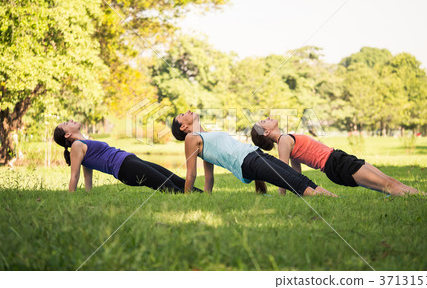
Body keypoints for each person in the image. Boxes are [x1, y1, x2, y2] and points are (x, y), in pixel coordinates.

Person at [171, 110, 338, 197]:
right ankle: (330, 200)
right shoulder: (191, 138)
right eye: (182, 115)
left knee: (297, 177)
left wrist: (207, 195)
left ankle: (333, 197)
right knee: (293, 181)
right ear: (183, 128)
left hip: (253, 153)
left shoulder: (204, 137)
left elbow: (209, 177)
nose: (187, 111)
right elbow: (191, 173)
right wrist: (189, 198)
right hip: (248, 161)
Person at [251, 117, 422, 196]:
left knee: (390, 182)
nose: (266, 118)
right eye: (263, 122)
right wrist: (283, 197)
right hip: (336, 165)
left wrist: (297, 189)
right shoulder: (284, 141)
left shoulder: (287, 139)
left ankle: (425, 197)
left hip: (339, 158)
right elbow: (284, 174)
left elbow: (295, 172)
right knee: (388, 185)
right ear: (266, 132)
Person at [53, 120, 202, 193]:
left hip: (130, 161)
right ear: (67, 134)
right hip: (126, 168)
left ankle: (202, 195)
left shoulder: (84, 143)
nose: (70, 120)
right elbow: (75, 176)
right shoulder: (76, 146)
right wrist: (71, 199)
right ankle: (192, 200)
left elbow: (88, 174)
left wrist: (88, 193)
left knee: (173, 178)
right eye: (66, 123)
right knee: (168, 186)